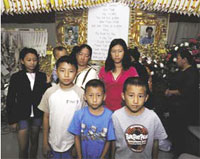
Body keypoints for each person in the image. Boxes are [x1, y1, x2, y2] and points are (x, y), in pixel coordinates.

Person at [6, 47, 51, 159]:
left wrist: (48, 83)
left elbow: (47, 95)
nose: (32, 63)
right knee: (23, 147)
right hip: (21, 115)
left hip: (37, 114)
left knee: (34, 144)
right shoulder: (16, 77)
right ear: (22, 61)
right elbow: (10, 99)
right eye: (29, 60)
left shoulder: (42, 76)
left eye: (34, 60)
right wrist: (11, 120)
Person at [38, 56, 86, 159]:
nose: (67, 75)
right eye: (62, 71)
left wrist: (76, 146)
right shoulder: (50, 92)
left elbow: (83, 121)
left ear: (76, 72)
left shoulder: (81, 94)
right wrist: (45, 142)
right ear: (56, 71)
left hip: (72, 144)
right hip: (52, 142)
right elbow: (46, 117)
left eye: (71, 71)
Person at [112, 77, 168, 159]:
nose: (135, 101)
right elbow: (113, 141)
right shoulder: (116, 116)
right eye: (131, 95)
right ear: (123, 96)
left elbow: (156, 140)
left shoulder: (152, 117)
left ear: (146, 98)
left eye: (140, 96)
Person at [68, 79, 116, 159]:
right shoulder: (79, 114)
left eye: (98, 95)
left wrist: (103, 157)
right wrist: (79, 157)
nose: (94, 99)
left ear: (104, 97)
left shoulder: (109, 116)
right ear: (85, 97)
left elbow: (109, 140)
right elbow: (76, 137)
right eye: (90, 95)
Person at [165, 47, 199, 157]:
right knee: (175, 131)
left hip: (185, 108)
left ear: (185, 59)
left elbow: (186, 90)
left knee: (181, 133)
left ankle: (180, 153)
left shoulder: (192, 72)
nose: (177, 60)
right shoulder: (181, 71)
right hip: (176, 107)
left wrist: (171, 92)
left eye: (178, 58)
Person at [99, 38, 138, 111]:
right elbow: (99, 91)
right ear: (110, 53)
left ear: (124, 52)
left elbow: (136, 91)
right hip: (106, 110)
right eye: (113, 51)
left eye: (120, 51)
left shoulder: (131, 71)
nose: (116, 54)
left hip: (126, 110)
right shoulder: (103, 70)